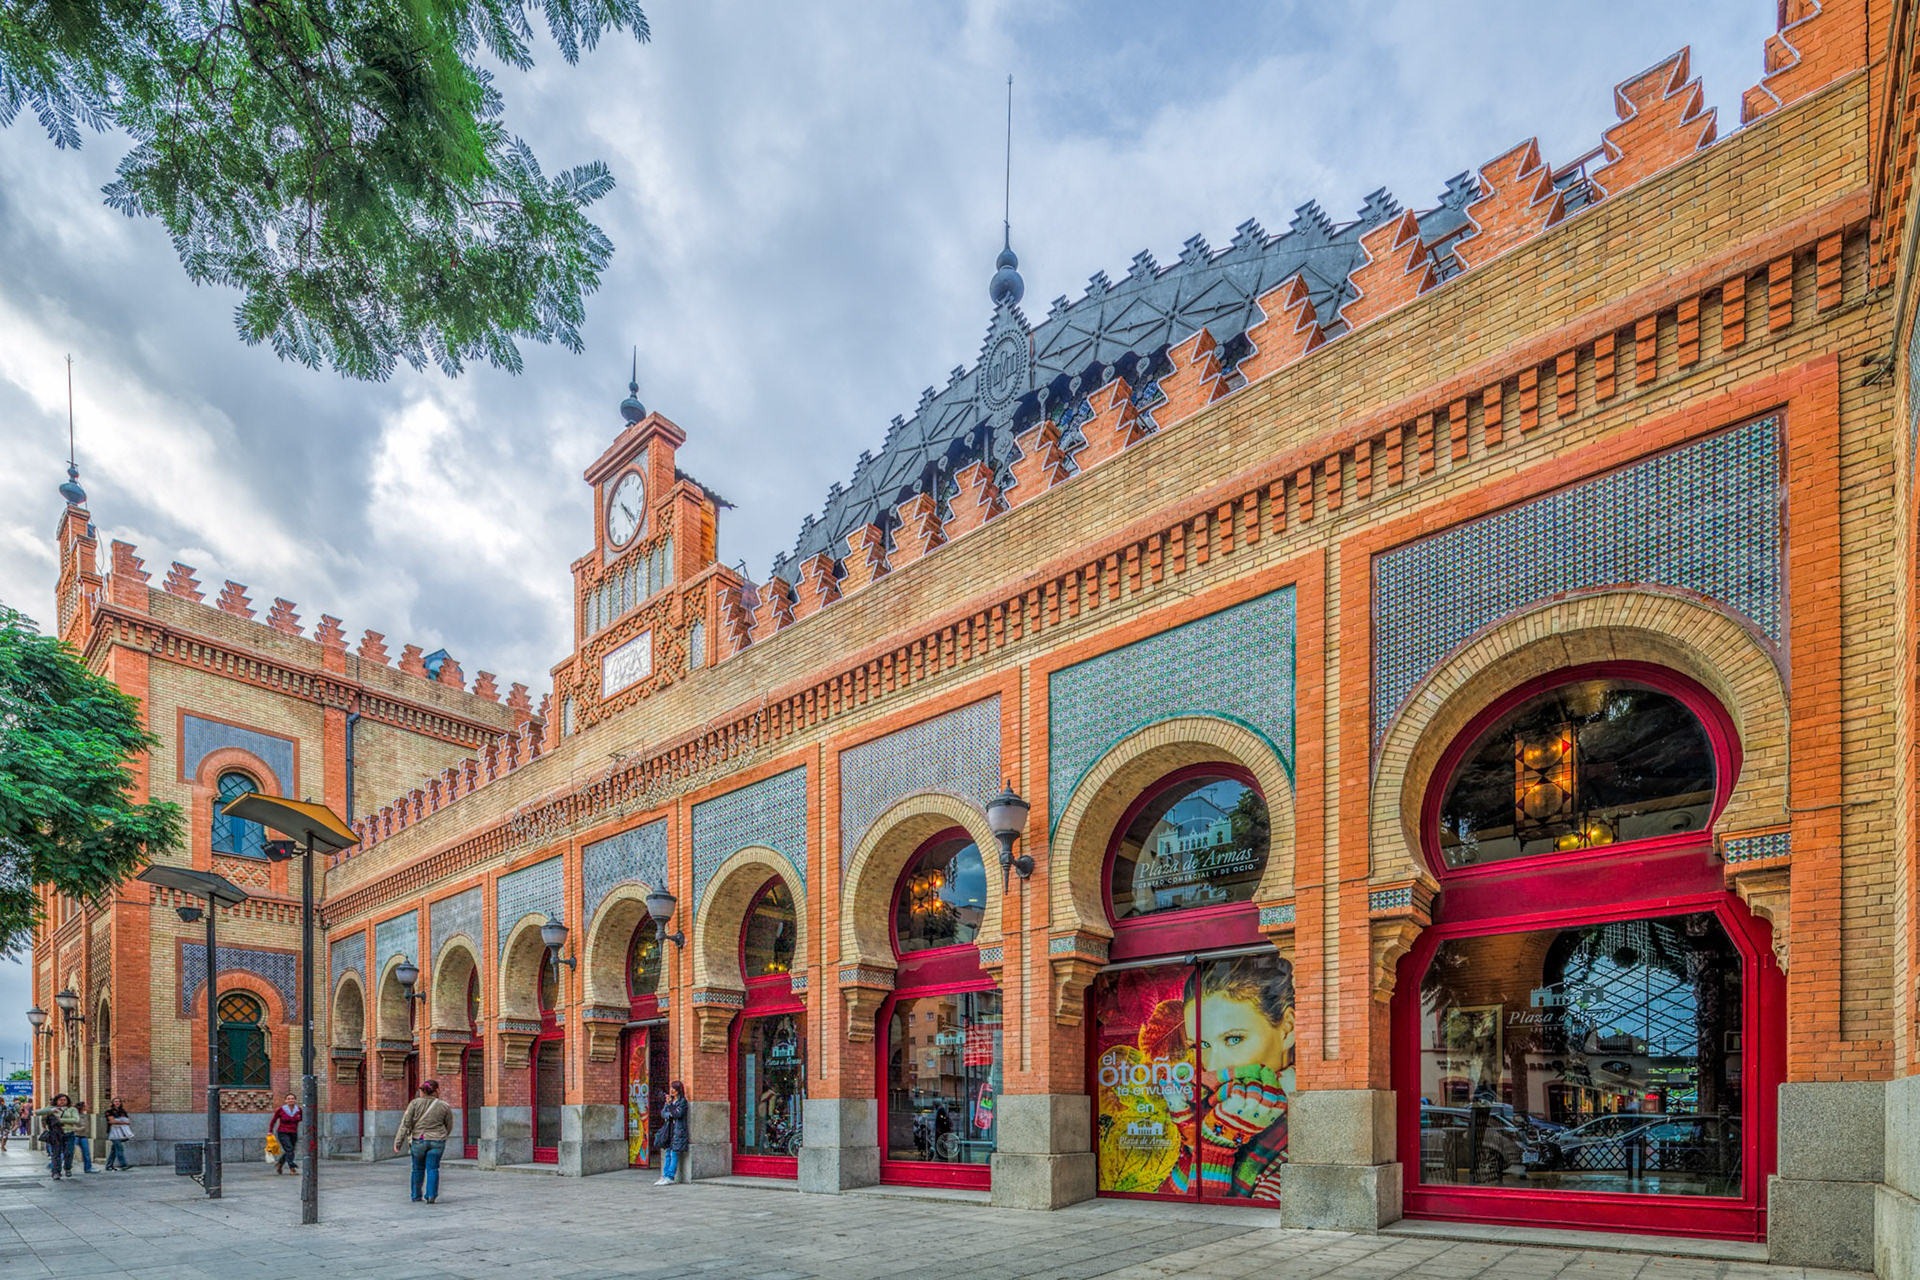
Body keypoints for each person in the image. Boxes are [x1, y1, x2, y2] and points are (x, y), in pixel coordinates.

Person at [1150, 954, 1295, 1202]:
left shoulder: (1302, 1129)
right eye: (1201, 1045)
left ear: (1287, 1030)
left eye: (1233, 1039)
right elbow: (1172, 1205)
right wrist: (1206, 1141)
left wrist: (1215, 1146)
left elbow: (1209, 1215)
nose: (1213, 1064)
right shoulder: (1206, 1106)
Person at [393, 1079, 453, 1204]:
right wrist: (443, 1136)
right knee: (433, 1168)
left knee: (417, 1169)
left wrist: (398, 1142)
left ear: (423, 1091)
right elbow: (449, 1125)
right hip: (437, 1141)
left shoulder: (414, 1104)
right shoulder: (444, 1105)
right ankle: (431, 1195)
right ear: (437, 1090)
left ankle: (416, 1195)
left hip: (418, 1140)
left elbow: (405, 1124)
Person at [33, 1094, 79, 1180]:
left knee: (69, 1152)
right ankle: (56, 1172)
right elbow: (37, 1112)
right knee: (56, 1153)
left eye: (64, 1100)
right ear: (56, 1101)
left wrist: (60, 1120)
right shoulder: (51, 1108)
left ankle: (68, 1167)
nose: (62, 1101)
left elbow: (75, 1120)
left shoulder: (72, 1109)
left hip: (69, 1133)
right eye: (60, 1100)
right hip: (55, 1134)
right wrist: (51, 1110)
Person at [656, 1080, 689, 1186]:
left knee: (674, 1154)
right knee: (668, 1153)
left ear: (678, 1090)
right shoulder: (669, 1101)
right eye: (671, 1088)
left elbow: (678, 1114)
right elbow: (663, 1112)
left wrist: (670, 1107)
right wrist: (669, 1114)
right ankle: (664, 1175)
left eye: (674, 1089)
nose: (671, 1091)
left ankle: (670, 1176)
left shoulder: (682, 1102)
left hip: (679, 1131)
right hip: (669, 1130)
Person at [270, 1093, 303, 1175]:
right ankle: (292, 1168)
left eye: (292, 1098)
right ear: (285, 1101)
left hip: (293, 1133)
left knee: (290, 1150)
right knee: (289, 1149)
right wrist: (270, 1131)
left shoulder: (299, 1110)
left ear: (295, 1100)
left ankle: (280, 1163)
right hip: (283, 1132)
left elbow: (303, 1119)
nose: (291, 1100)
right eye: (288, 1099)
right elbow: (273, 1120)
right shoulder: (281, 1110)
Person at [67, 1100, 96, 1174]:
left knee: (86, 1152)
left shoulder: (85, 1115)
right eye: (86, 1105)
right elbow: (71, 1124)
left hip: (83, 1136)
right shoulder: (75, 1115)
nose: (88, 1106)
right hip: (75, 1135)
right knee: (69, 1151)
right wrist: (79, 1129)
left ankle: (88, 1167)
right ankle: (61, 1165)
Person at [104, 1100, 131, 1171]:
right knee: (119, 1148)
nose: (117, 1103)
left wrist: (119, 1122)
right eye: (115, 1101)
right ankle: (123, 1165)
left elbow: (127, 1120)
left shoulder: (123, 1111)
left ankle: (109, 1166)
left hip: (120, 1132)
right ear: (112, 1103)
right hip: (112, 1132)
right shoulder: (109, 1112)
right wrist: (124, 1122)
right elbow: (112, 1121)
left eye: (119, 1101)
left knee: (114, 1150)